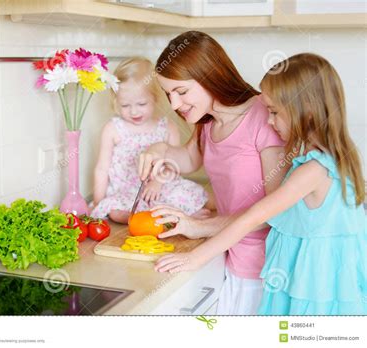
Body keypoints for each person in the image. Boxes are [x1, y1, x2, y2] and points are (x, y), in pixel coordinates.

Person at [153, 53, 366, 315]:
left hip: (310, 290)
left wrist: (194, 257)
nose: (268, 121)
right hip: (319, 286)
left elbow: (253, 217)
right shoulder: (333, 160)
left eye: (274, 112)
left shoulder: (312, 170)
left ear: (304, 110)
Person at [138, 31, 286, 315]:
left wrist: (200, 226)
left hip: (262, 268)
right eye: (169, 94)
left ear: (210, 76)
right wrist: (159, 149)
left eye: (181, 92)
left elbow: (275, 212)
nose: (174, 105)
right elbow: (187, 160)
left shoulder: (263, 117)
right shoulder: (206, 122)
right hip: (226, 256)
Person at [91, 57, 208, 224]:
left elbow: (173, 164)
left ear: (155, 98)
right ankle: (163, 217)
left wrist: (158, 183)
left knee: (187, 193)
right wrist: (98, 202)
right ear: (116, 102)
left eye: (141, 103)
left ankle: (169, 215)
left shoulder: (167, 127)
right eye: (125, 105)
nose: (134, 111)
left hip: (162, 187)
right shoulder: (113, 129)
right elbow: (102, 169)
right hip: (128, 191)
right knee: (116, 211)